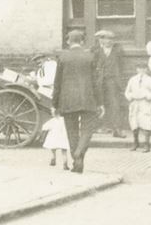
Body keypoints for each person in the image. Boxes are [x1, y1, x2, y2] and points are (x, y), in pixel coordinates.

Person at [52, 29, 104, 174]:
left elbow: (57, 84)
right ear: (82, 42)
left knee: (72, 132)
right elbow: (96, 82)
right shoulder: (90, 57)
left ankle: (76, 158)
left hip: (68, 101)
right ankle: (79, 157)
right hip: (88, 100)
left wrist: (54, 104)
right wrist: (100, 103)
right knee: (87, 130)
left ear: (68, 42)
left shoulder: (62, 58)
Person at [93, 30, 126, 137]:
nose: (108, 41)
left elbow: (121, 65)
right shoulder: (96, 50)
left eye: (111, 39)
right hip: (99, 81)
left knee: (114, 104)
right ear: (101, 40)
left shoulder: (117, 51)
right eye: (106, 39)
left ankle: (117, 129)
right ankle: (99, 127)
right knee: (99, 104)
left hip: (112, 81)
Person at [125, 61, 151, 152]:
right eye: (139, 68)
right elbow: (127, 91)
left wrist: (148, 96)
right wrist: (130, 97)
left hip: (145, 103)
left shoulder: (150, 80)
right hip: (135, 102)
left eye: (144, 68)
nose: (141, 70)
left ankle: (146, 144)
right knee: (134, 122)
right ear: (137, 69)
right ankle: (136, 142)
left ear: (146, 70)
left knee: (145, 122)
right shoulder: (132, 79)